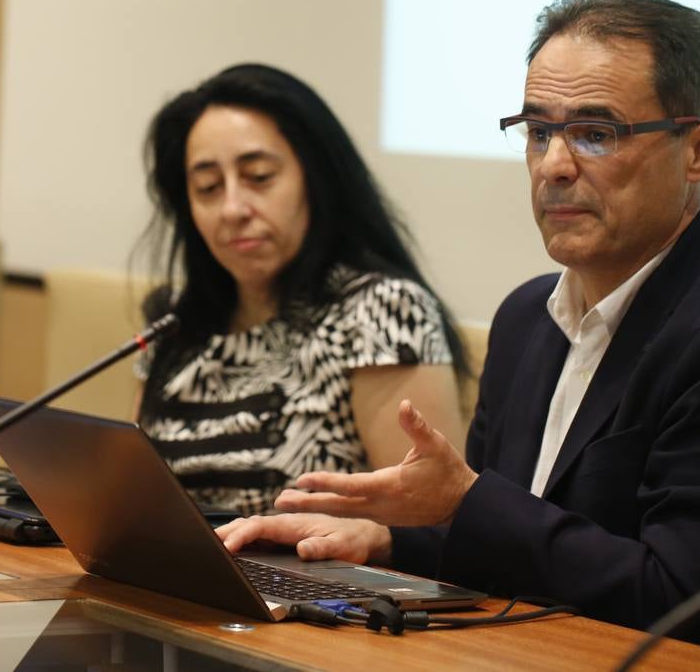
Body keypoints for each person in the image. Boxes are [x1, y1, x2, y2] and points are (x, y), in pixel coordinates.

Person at [216, 0, 700, 669]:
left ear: (699, 149)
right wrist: (381, 544)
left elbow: (684, 604)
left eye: (596, 132)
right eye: (537, 131)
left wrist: (466, 502)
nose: (554, 164)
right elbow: (525, 555)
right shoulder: (528, 319)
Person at [135, 63, 470, 516]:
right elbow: (135, 493)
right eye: (208, 187)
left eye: (258, 177)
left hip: (317, 582)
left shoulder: (382, 310)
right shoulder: (176, 323)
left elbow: (430, 523)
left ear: (316, 179)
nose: (232, 208)